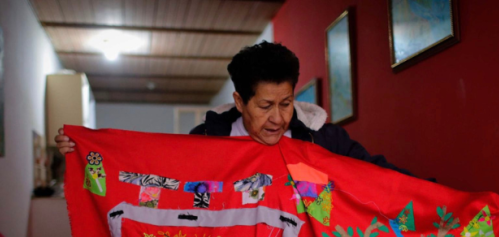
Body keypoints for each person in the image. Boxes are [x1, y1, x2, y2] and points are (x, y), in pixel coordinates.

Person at [55, 41, 412, 177]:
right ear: (240, 101)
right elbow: (152, 166)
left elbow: (378, 176)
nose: (278, 118)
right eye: (265, 106)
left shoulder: (324, 138)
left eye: (286, 104)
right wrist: (86, 150)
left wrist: (442, 198)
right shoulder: (207, 139)